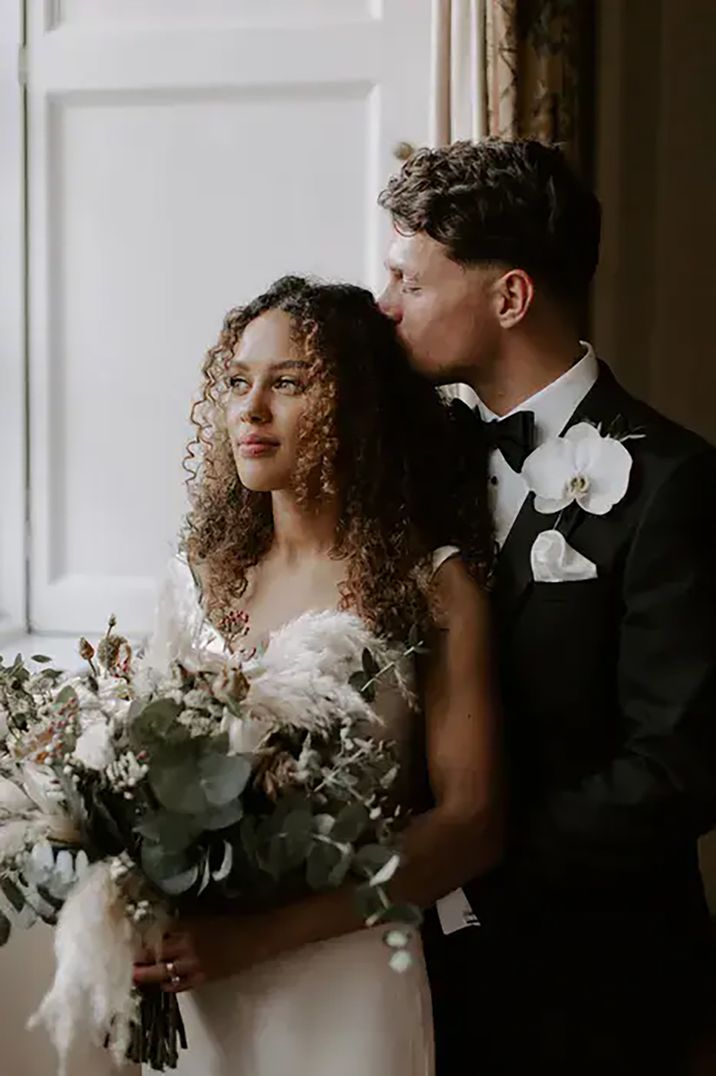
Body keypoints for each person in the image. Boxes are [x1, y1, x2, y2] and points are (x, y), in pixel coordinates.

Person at [377, 138, 716, 1076]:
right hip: (405, 976)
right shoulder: (407, 470)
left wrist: (464, 858)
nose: (384, 305)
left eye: (409, 279)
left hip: (596, 986)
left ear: (510, 297)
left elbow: (678, 764)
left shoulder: (673, 485)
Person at [134, 275, 502, 1076]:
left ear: (358, 406)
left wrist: (259, 938)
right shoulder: (196, 578)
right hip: (196, 980)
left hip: (347, 976)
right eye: (236, 382)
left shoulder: (430, 587)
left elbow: (472, 824)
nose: (250, 409)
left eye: (288, 383)